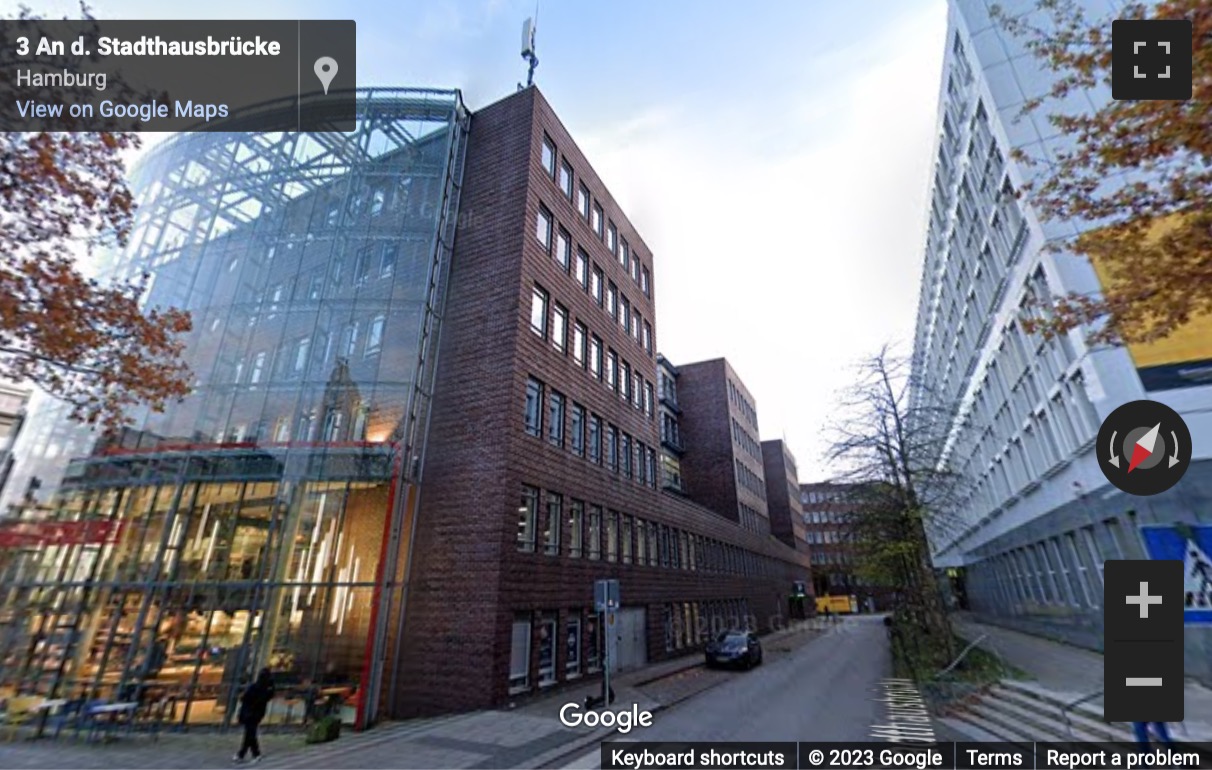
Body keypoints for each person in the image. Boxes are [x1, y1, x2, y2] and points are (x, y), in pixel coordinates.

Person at [233, 668, 275, 764]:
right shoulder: (268, 689)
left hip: (249, 712)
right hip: (258, 713)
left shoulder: (255, 687)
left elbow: (245, 698)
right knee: (249, 733)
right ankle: (242, 754)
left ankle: (255, 754)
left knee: (250, 734)